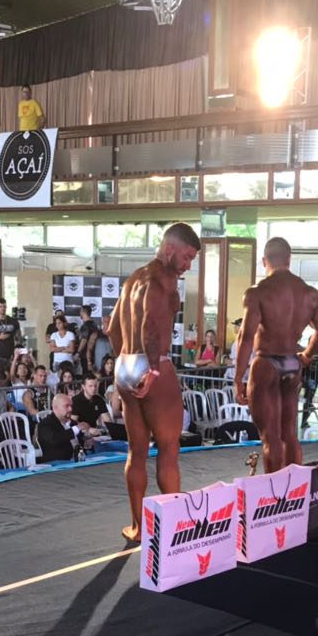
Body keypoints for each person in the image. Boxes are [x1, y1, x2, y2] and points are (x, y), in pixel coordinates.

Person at [109, 221, 201, 542]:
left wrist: (127, 364)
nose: (188, 265)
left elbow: (112, 329)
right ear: (170, 248)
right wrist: (152, 370)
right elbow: (150, 324)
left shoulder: (133, 279)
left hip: (124, 365)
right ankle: (172, 528)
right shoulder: (164, 278)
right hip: (152, 365)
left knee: (136, 452)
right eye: (187, 257)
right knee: (168, 449)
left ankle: (138, 528)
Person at [233, 237, 318, 473]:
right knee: (289, 435)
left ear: (264, 261)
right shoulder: (310, 293)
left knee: (271, 438)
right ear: (289, 259)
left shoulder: (258, 292)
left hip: (266, 362)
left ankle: (274, 492)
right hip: (292, 363)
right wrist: (306, 355)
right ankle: (296, 487)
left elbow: (246, 338)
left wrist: (238, 379)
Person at [37, 391, 86, 463]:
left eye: (71, 406)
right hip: (57, 464)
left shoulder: (73, 423)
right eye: (66, 406)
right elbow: (55, 439)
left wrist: (86, 442)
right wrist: (76, 429)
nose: (70, 409)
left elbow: (79, 443)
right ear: (55, 408)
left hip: (79, 460)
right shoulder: (45, 424)